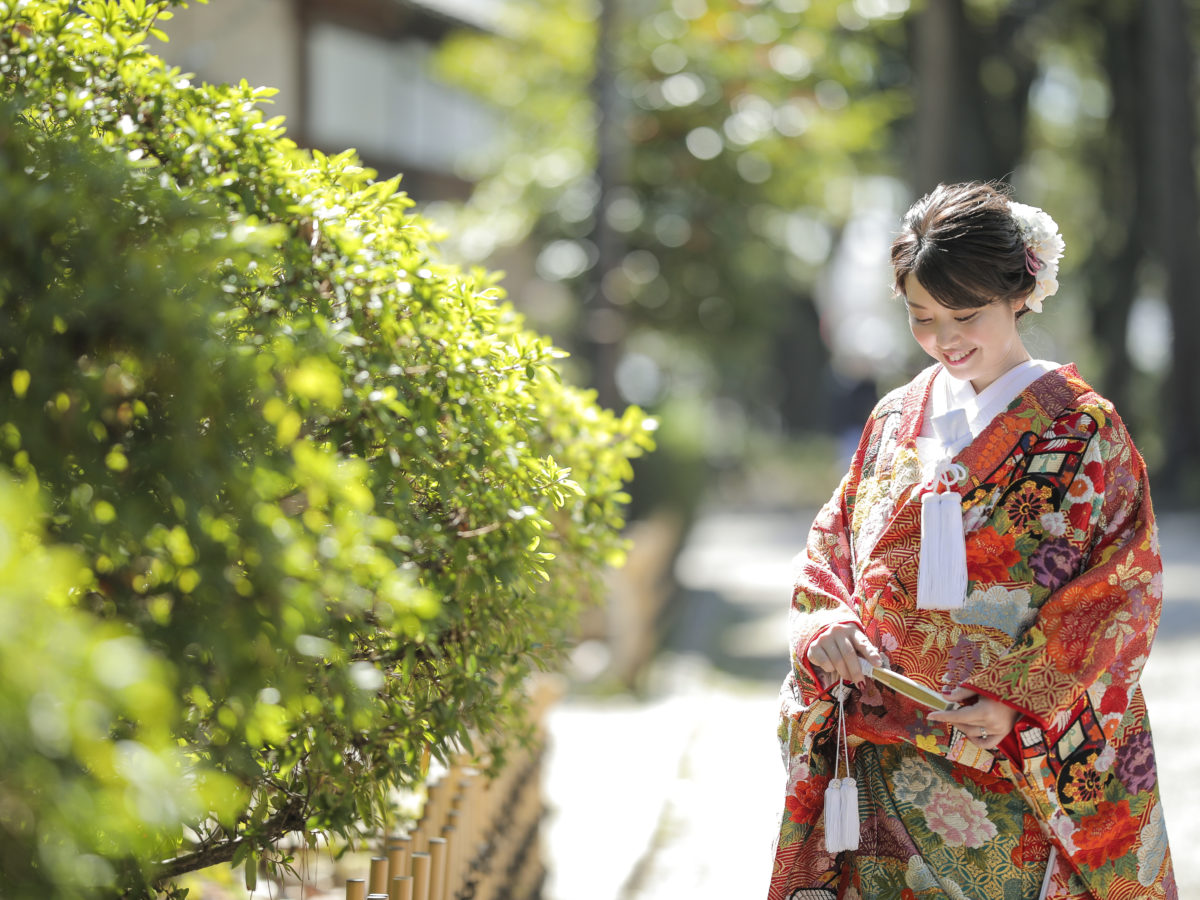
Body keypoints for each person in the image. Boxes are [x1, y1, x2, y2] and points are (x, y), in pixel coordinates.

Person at [767, 182, 1176, 900]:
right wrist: (828, 626)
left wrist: (1019, 699)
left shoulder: (1083, 428)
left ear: (1019, 292)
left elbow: (1123, 588)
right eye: (923, 318)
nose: (945, 338)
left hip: (1008, 755)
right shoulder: (895, 415)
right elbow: (833, 543)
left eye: (966, 314)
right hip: (881, 753)